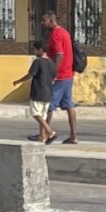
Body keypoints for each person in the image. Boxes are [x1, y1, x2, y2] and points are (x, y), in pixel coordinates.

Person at [38, 9, 81, 146]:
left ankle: (45, 134)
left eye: (44, 21)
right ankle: (73, 136)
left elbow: (59, 55)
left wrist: (53, 73)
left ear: (51, 20)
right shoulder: (65, 32)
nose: (42, 23)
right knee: (69, 105)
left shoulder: (56, 34)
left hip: (61, 76)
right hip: (68, 74)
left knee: (48, 106)